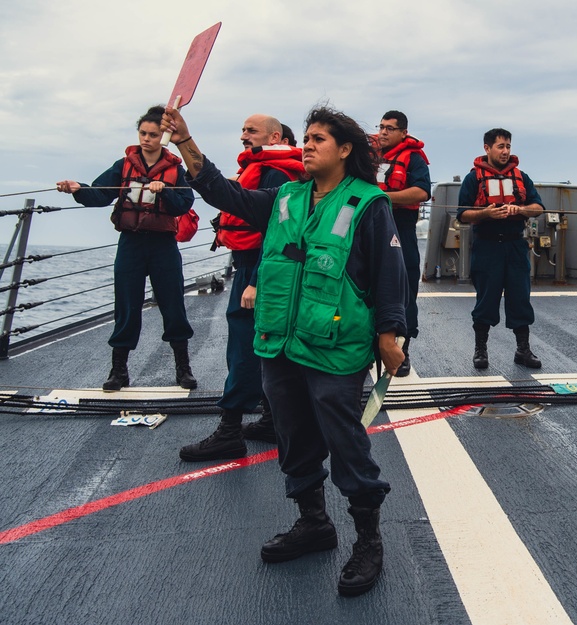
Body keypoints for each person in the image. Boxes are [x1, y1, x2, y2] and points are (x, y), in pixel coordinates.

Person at [162, 104, 406, 598]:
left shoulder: (368, 204)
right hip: (279, 342)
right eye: (307, 137)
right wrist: (185, 141)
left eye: (319, 139)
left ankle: (368, 539)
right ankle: (314, 523)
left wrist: (390, 335)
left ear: (345, 150)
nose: (308, 145)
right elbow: (222, 192)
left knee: (346, 440)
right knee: (292, 437)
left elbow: (389, 274)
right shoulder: (284, 198)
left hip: (336, 345)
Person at [179, 115, 306, 462]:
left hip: (258, 266)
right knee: (261, 345)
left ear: (274, 136)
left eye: (250, 131)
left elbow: (279, 232)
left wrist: (255, 280)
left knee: (244, 347)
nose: (243, 136)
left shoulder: (277, 174)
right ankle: (269, 419)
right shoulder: (265, 168)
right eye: (243, 130)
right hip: (252, 264)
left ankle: (230, 429)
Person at [56, 105, 197, 391]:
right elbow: (99, 194)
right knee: (126, 306)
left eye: (153, 134)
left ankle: (183, 368)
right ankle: (119, 371)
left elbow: (185, 203)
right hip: (131, 243)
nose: (146, 139)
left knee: (173, 305)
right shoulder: (123, 166)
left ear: (164, 137)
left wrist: (165, 193)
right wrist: (77, 188)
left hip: (163, 246)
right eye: (143, 133)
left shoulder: (174, 170)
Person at [457, 128, 544, 370]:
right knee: (486, 300)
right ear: (487, 148)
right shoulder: (473, 178)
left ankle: (523, 350)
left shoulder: (521, 177)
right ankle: (481, 350)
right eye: (500, 146)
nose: (505, 151)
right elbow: (462, 214)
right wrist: (486, 213)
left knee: (520, 298)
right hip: (486, 246)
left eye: (508, 146)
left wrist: (522, 210)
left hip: (515, 245)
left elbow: (538, 207)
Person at [375, 110, 431, 377]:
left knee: (404, 290)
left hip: (401, 229)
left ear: (403, 133)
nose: (383, 132)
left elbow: (422, 192)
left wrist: (384, 197)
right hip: (371, 229)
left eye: (389, 128)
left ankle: (402, 349)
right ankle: (370, 346)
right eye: (381, 127)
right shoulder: (369, 156)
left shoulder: (414, 159)